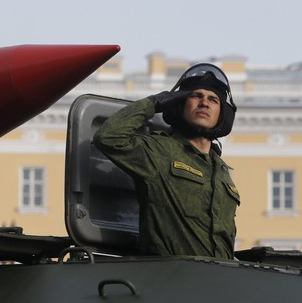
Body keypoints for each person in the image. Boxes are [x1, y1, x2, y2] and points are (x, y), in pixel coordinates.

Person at [93, 63, 240, 259]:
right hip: (171, 276)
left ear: (223, 114)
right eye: (196, 96)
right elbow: (108, 137)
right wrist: (154, 103)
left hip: (218, 278)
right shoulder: (159, 151)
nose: (204, 103)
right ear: (179, 104)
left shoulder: (221, 169)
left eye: (213, 99)